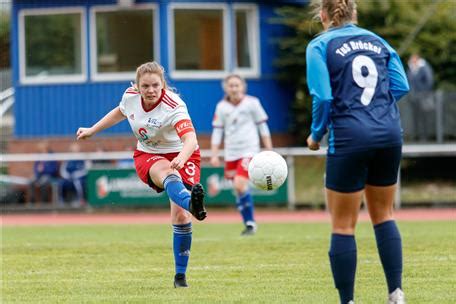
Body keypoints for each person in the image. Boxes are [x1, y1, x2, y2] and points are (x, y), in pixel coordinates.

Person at [305, 1, 409, 303]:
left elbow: (323, 97)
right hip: (389, 134)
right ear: (355, 14)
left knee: (342, 225)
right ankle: (396, 293)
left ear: (323, 15)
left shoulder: (319, 45)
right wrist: (375, 107)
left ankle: (348, 300)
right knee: (384, 215)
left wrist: (315, 135)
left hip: (350, 135)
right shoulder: (378, 40)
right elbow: (401, 85)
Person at [76, 61, 207, 288]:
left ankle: (180, 277)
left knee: (181, 218)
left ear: (162, 84)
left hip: (183, 153)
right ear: (137, 86)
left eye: (155, 85)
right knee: (167, 174)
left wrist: (182, 158)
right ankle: (192, 203)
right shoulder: (130, 97)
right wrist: (92, 130)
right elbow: (119, 112)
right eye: (145, 86)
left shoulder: (174, 106)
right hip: (149, 154)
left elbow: (191, 140)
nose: (150, 90)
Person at [210, 74, 273, 236]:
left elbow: (262, 127)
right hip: (231, 153)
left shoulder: (252, 103)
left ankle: (251, 223)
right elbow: (217, 131)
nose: (234, 88)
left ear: (243, 87)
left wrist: (269, 149)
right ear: (226, 88)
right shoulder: (221, 107)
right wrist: (215, 154)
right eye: (231, 85)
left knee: (239, 184)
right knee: (239, 190)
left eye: (237, 85)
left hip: (249, 150)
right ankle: (249, 224)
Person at [407, 53, 434, 141]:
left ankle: (424, 137)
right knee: (415, 117)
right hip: (414, 98)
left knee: (424, 117)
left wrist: (424, 93)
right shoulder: (411, 68)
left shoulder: (424, 67)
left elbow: (429, 80)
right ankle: (416, 136)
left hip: (423, 97)